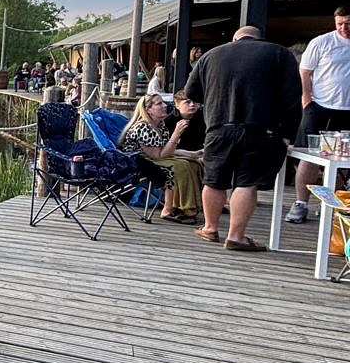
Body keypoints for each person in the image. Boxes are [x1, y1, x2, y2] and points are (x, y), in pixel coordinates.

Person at [183, 25, 302, 252]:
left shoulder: (211, 55)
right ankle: (236, 236)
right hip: (260, 128)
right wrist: (289, 134)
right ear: (259, 39)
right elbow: (292, 97)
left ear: (234, 39)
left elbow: (191, 93)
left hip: (218, 127)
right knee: (247, 181)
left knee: (214, 179)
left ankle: (209, 228)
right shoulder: (279, 54)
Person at [286, 5, 350, 223]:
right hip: (321, 105)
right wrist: (307, 100)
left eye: (348, 24)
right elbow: (305, 71)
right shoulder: (322, 42)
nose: (344, 28)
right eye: (340, 23)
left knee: (342, 160)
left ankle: (330, 204)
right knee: (309, 155)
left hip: (347, 109)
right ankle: (301, 202)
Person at [117, 93, 202, 222]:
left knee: (192, 163)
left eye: (163, 102)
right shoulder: (143, 127)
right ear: (148, 109)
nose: (164, 106)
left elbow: (166, 149)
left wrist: (192, 154)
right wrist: (176, 133)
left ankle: (188, 207)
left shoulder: (160, 125)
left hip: (152, 158)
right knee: (180, 167)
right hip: (138, 162)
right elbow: (159, 155)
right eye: (159, 104)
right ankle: (169, 209)